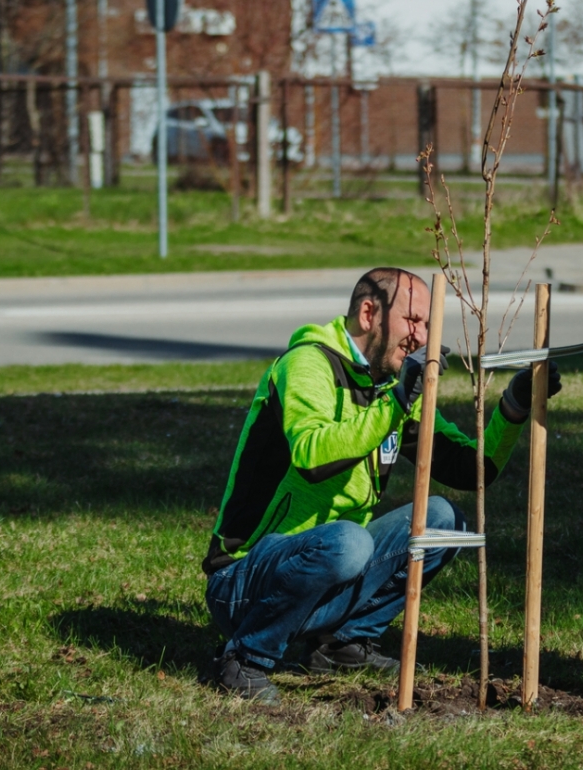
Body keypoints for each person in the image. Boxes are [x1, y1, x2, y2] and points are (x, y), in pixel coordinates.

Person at [203, 267, 561, 704]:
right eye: (413, 321)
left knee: (444, 519)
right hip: (243, 584)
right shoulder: (306, 363)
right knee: (349, 543)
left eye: (427, 325)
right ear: (369, 313)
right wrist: (394, 403)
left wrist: (514, 407)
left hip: (328, 571)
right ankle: (244, 658)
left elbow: (472, 470)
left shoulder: (390, 388)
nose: (422, 337)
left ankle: (342, 646)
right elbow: (313, 457)